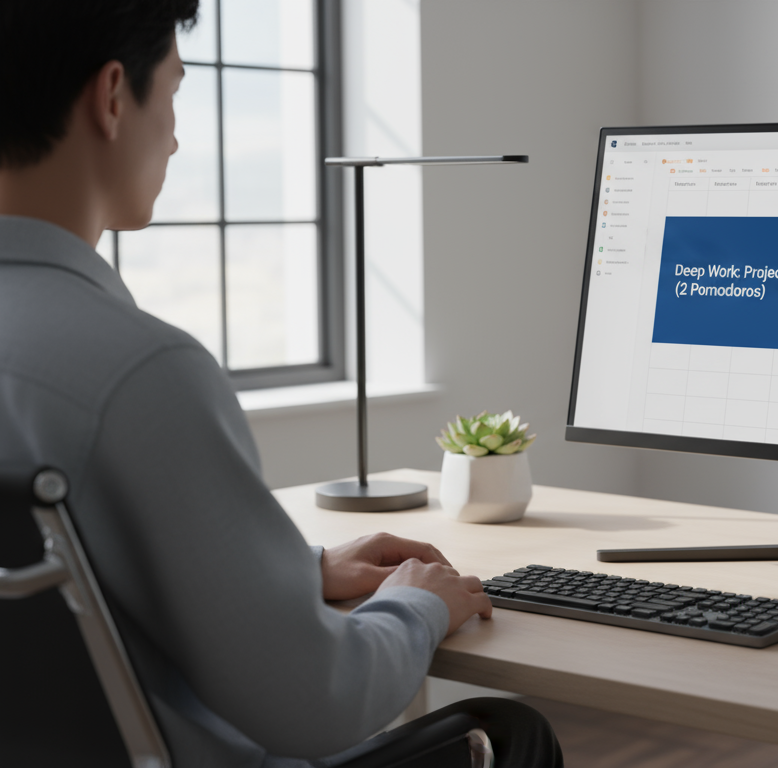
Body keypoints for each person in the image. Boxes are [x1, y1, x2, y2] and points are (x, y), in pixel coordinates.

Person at [0, 2, 562, 766]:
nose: (174, 133)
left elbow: (80, 582)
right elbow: (318, 701)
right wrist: (418, 603)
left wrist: (296, 573)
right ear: (110, 98)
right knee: (510, 732)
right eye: (173, 92)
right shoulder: (138, 373)